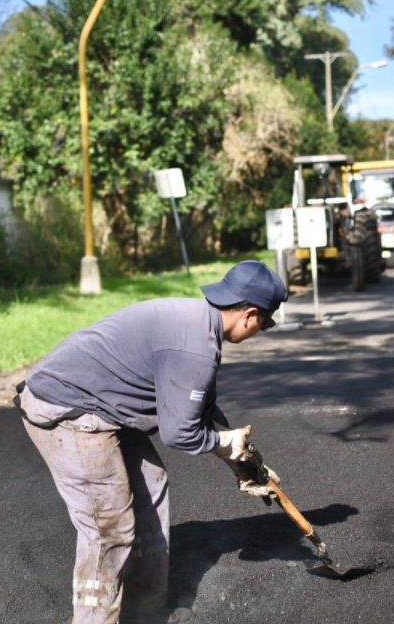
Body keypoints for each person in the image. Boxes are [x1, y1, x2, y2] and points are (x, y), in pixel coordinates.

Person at [15, 260, 287, 624]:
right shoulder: (196, 348)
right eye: (265, 324)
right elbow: (180, 433)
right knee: (108, 527)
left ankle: (145, 613)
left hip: (105, 405)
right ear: (250, 315)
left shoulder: (198, 322)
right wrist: (223, 445)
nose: (261, 330)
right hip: (68, 409)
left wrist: (244, 460)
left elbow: (200, 407)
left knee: (152, 485)